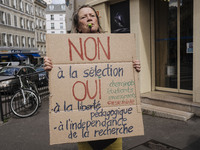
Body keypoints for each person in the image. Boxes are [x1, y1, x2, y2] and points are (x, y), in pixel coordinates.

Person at [44, 5, 141, 150]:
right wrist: (50, 69)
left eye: (92, 15)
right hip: (85, 130)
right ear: (78, 26)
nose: (89, 18)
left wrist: (133, 68)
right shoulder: (66, 50)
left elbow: (122, 74)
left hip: (112, 127)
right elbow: (61, 82)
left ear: (97, 20)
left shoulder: (115, 46)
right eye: (84, 17)